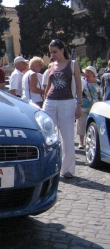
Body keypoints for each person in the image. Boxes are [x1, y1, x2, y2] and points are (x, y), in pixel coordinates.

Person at [43, 39, 82, 179]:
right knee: (49, 136)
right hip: (51, 102)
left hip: (67, 102)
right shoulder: (51, 66)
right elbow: (48, 86)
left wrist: (79, 104)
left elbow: (78, 84)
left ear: (62, 50)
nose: (52, 55)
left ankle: (68, 169)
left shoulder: (72, 64)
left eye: (54, 51)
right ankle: (50, 167)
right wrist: (44, 103)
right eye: (50, 52)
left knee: (67, 137)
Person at [76, 66, 102, 149]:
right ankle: (81, 142)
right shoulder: (82, 82)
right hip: (83, 107)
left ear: (93, 74)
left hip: (95, 108)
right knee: (81, 124)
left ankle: (91, 142)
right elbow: (78, 94)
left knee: (93, 125)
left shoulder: (98, 83)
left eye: (88, 72)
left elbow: (100, 95)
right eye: (86, 72)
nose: (86, 74)